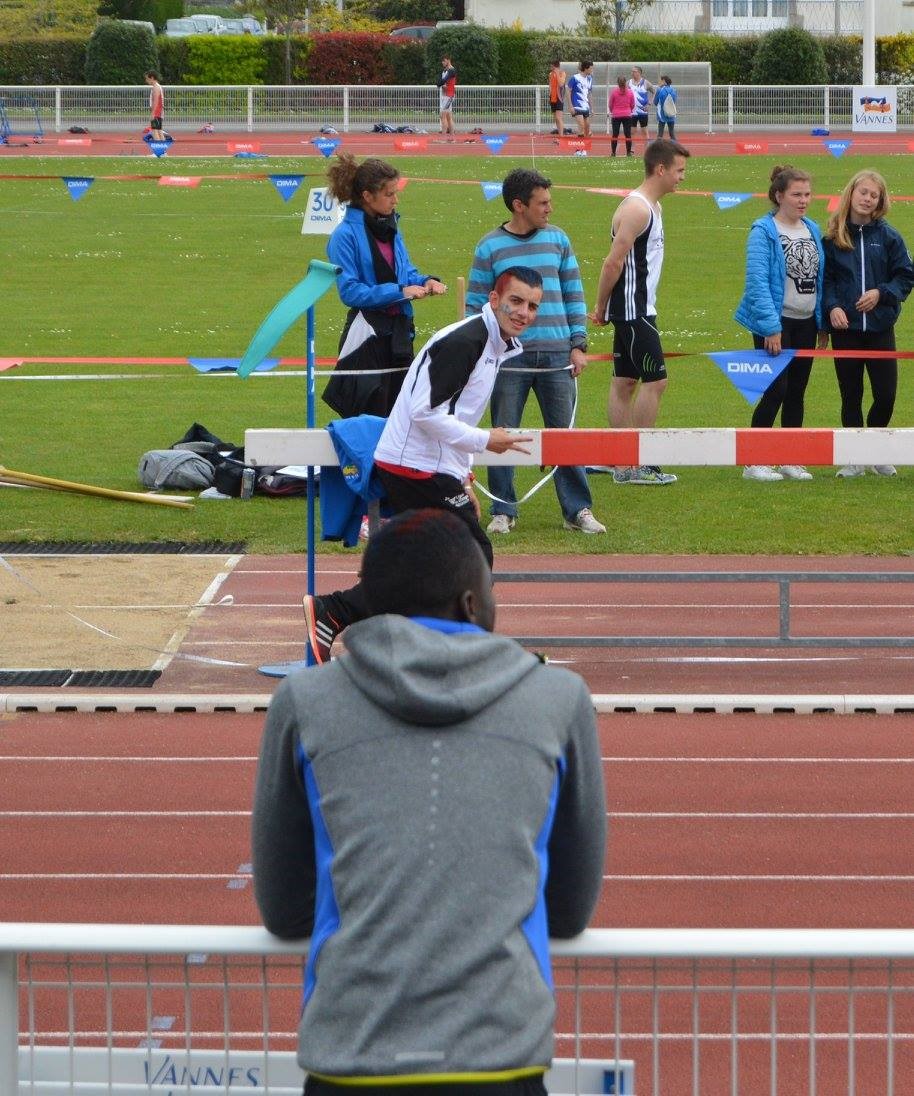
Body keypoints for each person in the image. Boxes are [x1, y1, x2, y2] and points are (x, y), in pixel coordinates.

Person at [253, 508, 607, 1096]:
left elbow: (285, 908)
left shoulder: (304, 701)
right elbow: (568, 910)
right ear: (470, 604)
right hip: (500, 1054)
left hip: (351, 1052)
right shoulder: (558, 698)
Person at [302, 267, 543, 664]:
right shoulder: (465, 342)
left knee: (429, 561)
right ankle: (462, 650)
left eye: (532, 306)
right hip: (413, 465)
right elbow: (424, 412)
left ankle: (339, 612)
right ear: (494, 299)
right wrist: (486, 441)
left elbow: (458, 415)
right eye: (516, 301)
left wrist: (464, 476)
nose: (524, 313)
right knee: (473, 554)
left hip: (429, 465)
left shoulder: (494, 344)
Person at [466, 169, 606, 536]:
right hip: (506, 359)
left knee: (565, 437)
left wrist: (578, 344)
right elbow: (476, 305)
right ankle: (503, 510)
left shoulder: (559, 240)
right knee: (502, 434)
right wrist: (479, 353)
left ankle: (578, 510)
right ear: (519, 205)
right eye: (542, 202)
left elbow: (574, 293)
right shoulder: (489, 247)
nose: (549, 208)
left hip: (558, 356)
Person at [590, 138, 690, 486]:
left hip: (637, 308)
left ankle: (619, 459)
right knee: (656, 382)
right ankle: (637, 463)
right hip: (633, 310)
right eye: (679, 171)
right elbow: (612, 262)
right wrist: (601, 306)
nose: (682, 177)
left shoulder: (652, 207)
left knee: (624, 381)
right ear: (661, 169)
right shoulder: (638, 209)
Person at [324, 155, 447, 421]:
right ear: (367, 196)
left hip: (400, 335)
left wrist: (425, 281)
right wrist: (399, 292)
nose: (395, 200)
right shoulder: (343, 236)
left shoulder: (391, 227)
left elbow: (406, 272)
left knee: (402, 419)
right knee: (366, 420)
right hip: (366, 339)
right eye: (389, 194)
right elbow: (350, 291)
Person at [734, 165, 828, 483]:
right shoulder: (763, 231)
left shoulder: (812, 228)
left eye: (807, 194)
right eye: (796, 194)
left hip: (806, 323)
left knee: (797, 391)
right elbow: (757, 282)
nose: (804, 200)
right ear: (778, 196)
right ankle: (754, 461)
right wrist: (771, 327)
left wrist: (821, 323)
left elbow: (819, 279)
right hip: (775, 322)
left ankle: (790, 458)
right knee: (776, 389)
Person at [823, 169, 914, 478]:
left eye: (874, 195)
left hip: (880, 329)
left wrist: (881, 293)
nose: (868, 199)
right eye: (863, 192)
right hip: (846, 331)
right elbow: (827, 281)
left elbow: (905, 276)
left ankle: (875, 451)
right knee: (851, 395)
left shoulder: (889, 237)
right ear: (851, 193)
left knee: (885, 395)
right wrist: (833, 307)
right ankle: (855, 458)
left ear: (880, 201)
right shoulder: (833, 237)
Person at [608, 75, 635, 158]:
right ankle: (628, 153)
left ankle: (613, 153)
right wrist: (629, 110)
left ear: (618, 83)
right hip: (627, 114)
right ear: (625, 82)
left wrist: (613, 111)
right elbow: (632, 104)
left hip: (616, 115)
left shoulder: (614, 92)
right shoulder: (630, 92)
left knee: (615, 135)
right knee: (628, 134)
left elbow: (610, 104)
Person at [566, 60, 593, 138]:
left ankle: (585, 144)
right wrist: (570, 106)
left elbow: (589, 93)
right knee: (581, 126)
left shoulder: (590, 79)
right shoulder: (575, 78)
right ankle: (580, 145)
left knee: (587, 128)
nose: (592, 70)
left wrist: (592, 108)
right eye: (591, 68)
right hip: (576, 105)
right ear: (586, 68)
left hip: (586, 106)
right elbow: (568, 91)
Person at [628, 65, 655, 139]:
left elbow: (654, 92)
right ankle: (631, 147)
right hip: (632, 111)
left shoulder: (645, 82)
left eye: (634, 71)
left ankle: (647, 147)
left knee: (644, 131)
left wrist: (649, 103)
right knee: (632, 132)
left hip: (643, 111)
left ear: (639, 73)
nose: (632, 73)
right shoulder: (629, 83)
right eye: (632, 71)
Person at [437, 56, 457, 136]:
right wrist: (440, 83)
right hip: (446, 95)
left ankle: (443, 136)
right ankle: (452, 136)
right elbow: (441, 80)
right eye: (442, 61)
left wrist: (439, 84)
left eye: (444, 61)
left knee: (443, 115)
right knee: (448, 116)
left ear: (448, 60)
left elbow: (443, 80)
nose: (442, 63)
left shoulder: (451, 70)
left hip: (449, 95)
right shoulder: (445, 70)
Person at [655, 75, 677, 139]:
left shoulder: (659, 90)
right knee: (671, 132)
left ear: (664, 81)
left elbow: (655, 102)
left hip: (662, 114)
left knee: (660, 133)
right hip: (671, 113)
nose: (659, 82)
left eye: (660, 81)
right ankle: (674, 144)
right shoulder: (674, 90)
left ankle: (659, 145)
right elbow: (674, 100)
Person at [548, 58, 566, 137]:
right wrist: (550, 94)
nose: (550, 67)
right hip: (553, 97)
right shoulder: (550, 74)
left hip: (559, 97)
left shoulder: (562, 73)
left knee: (559, 118)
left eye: (551, 66)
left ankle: (562, 136)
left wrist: (557, 73)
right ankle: (559, 134)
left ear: (555, 66)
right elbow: (550, 85)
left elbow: (561, 84)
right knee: (555, 118)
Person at [144, 71, 164, 137]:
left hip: (157, 112)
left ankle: (158, 143)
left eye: (147, 78)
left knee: (155, 131)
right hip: (158, 112)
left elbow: (156, 101)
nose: (146, 80)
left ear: (152, 78)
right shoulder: (156, 87)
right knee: (159, 131)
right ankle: (162, 143)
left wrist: (153, 113)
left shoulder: (156, 87)